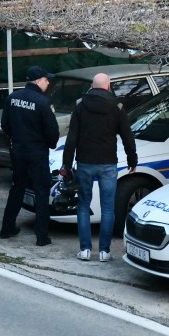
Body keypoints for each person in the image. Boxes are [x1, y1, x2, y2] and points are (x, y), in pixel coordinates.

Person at [62, 73, 137, 262]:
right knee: (108, 208)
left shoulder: (80, 105)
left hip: (85, 162)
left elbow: (72, 138)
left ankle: (85, 250)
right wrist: (132, 159)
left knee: (83, 205)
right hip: (108, 163)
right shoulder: (117, 107)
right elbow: (127, 136)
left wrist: (67, 164)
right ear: (109, 86)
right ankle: (105, 251)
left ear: (92, 86)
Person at [0, 65, 60, 246]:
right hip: (37, 152)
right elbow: (52, 131)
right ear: (37, 81)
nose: (48, 82)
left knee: (17, 188)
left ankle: (6, 228)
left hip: (18, 151)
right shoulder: (43, 102)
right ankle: (42, 237)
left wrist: (16, 140)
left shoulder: (12, 98)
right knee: (41, 191)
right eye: (46, 79)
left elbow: (5, 125)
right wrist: (49, 144)